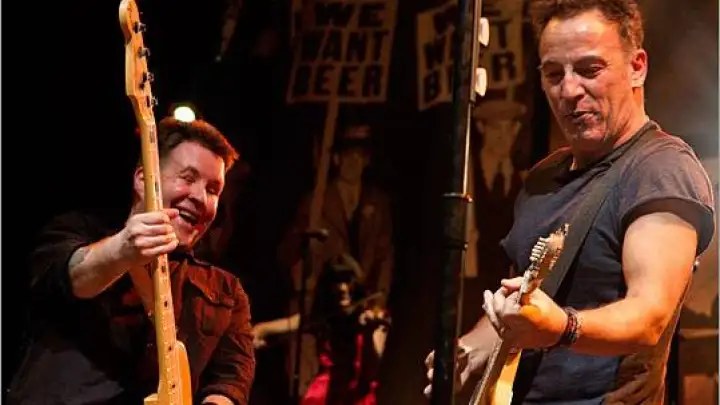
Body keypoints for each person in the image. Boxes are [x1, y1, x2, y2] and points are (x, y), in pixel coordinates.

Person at [424, 1, 716, 404]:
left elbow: (649, 316)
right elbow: (522, 306)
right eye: (553, 74)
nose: (569, 90)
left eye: (589, 69)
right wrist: (468, 350)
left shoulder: (661, 168)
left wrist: (564, 327)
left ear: (637, 67)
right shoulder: (543, 179)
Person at [7, 117, 256, 405]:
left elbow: (230, 380)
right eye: (188, 178)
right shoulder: (74, 232)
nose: (201, 197)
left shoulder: (227, 291)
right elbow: (71, 279)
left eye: (213, 189)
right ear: (143, 179)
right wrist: (123, 250)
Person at [252, 253, 391, 405]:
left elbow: (373, 369)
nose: (342, 288)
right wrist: (255, 337)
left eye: (347, 280)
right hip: (325, 395)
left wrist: (368, 333)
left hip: (358, 396)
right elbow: (264, 329)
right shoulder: (322, 317)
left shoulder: (373, 317)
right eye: (336, 282)